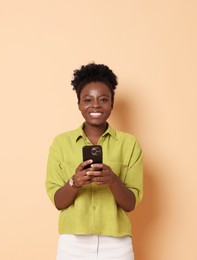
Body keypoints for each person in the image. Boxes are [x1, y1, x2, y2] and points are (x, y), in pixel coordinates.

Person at [45, 63, 143, 260]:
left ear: (112, 104)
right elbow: (58, 201)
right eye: (88, 99)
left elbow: (130, 204)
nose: (96, 105)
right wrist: (75, 183)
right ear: (79, 104)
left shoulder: (129, 144)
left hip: (117, 244)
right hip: (73, 243)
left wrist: (113, 181)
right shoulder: (61, 143)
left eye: (103, 99)